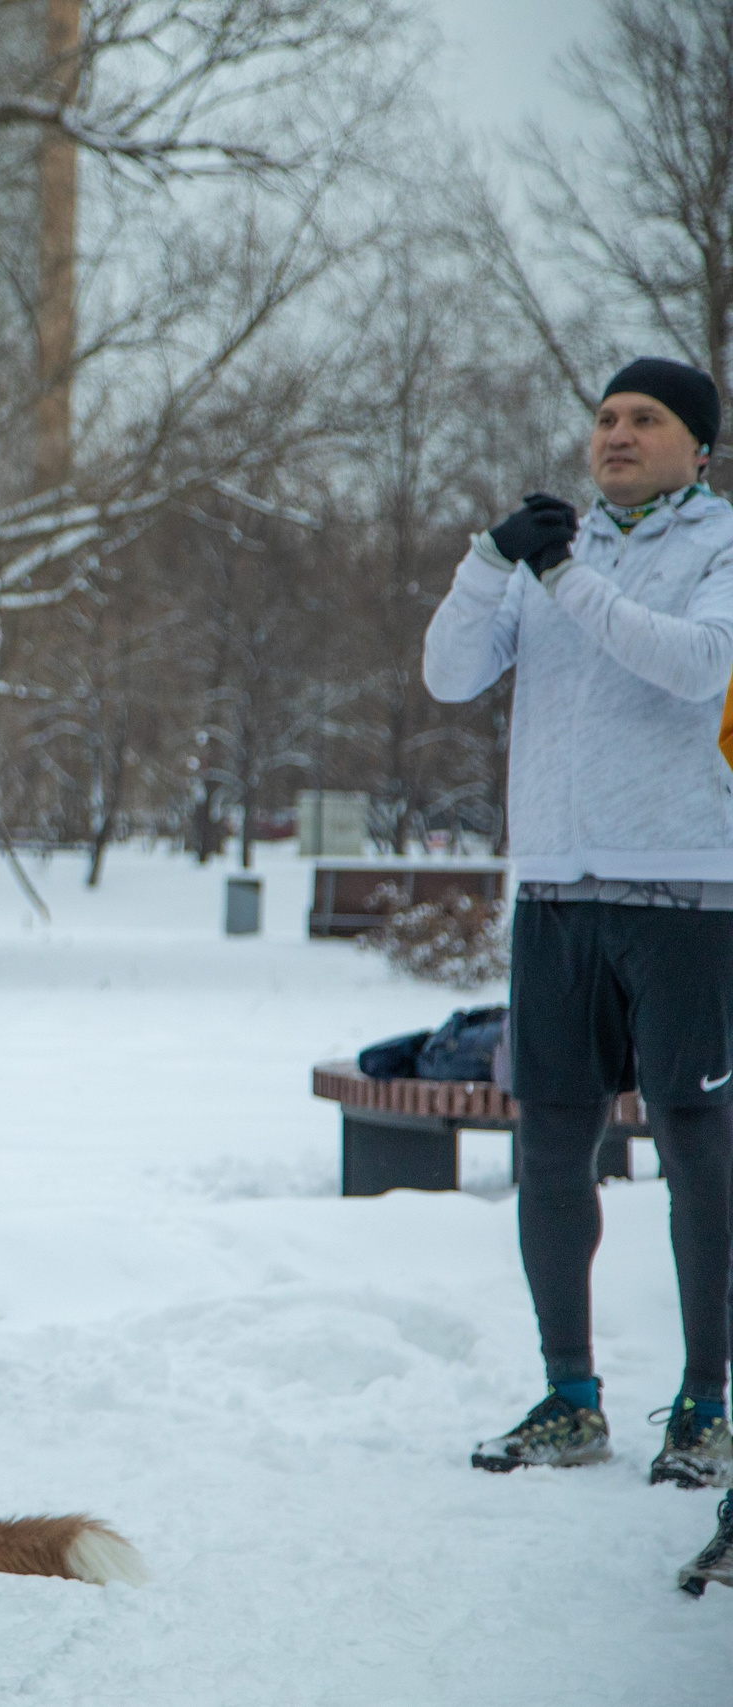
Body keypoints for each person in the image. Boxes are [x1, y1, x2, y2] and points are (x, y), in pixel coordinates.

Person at [425, 356, 733, 1503]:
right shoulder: (553, 553)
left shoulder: (719, 546)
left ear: (697, 447)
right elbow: (448, 675)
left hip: (686, 892)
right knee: (551, 1148)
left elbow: (697, 667)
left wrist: (562, 576)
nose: (616, 433)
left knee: (697, 1149)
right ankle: (569, 1395)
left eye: (644, 418)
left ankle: (706, 1405)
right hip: (554, 892)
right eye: (604, 417)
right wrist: (489, 560)